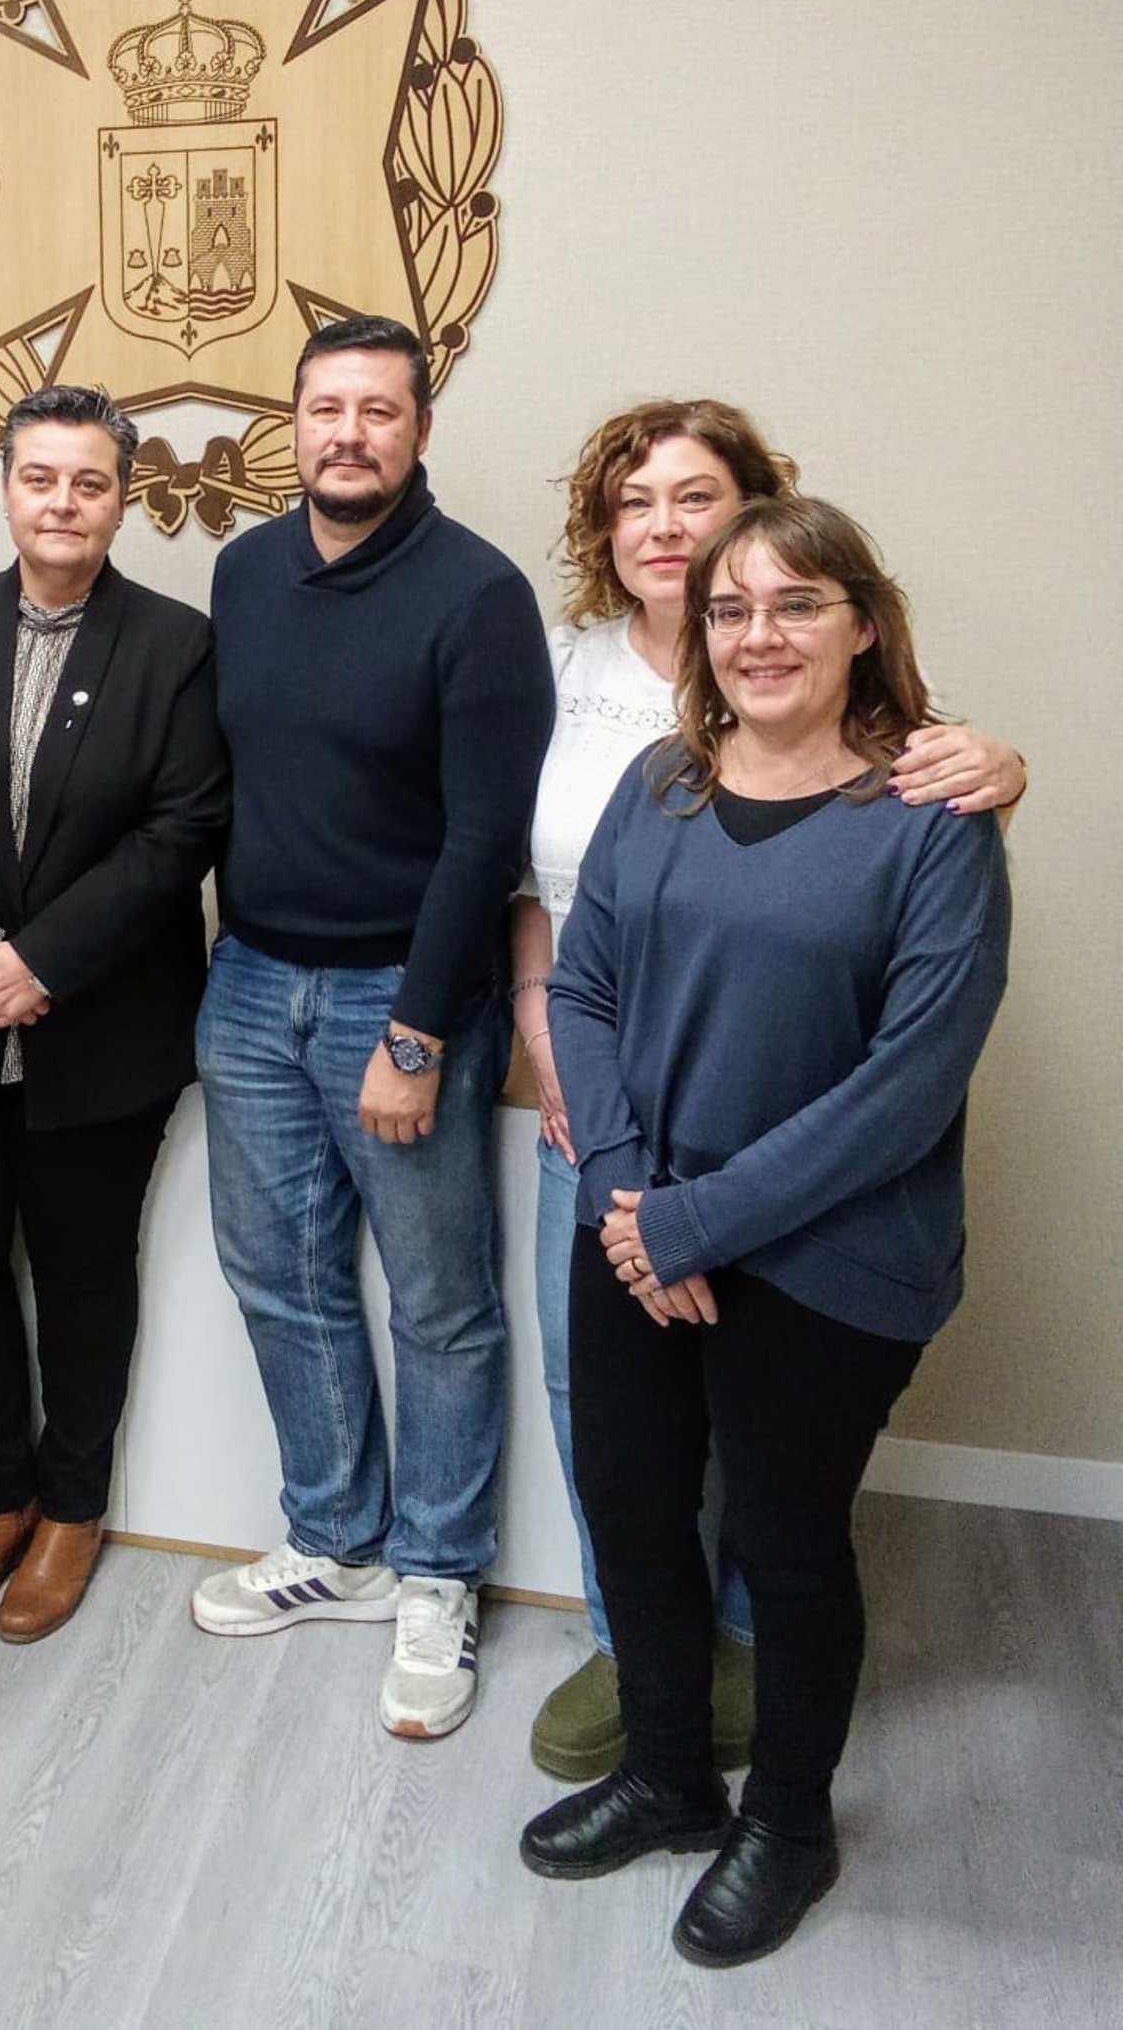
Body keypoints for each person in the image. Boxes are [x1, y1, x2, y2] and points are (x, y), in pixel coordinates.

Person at [520, 494, 1011, 1967]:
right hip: (639, 1216)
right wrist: (630, 1192)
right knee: (633, 1508)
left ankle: (789, 1822)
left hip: (826, 1254)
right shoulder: (663, 783)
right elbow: (583, 988)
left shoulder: (930, 821)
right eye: (731, 608)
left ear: (865, 624)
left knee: (788, 1547)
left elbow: (909, 1085)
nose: (758, 635)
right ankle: (670, 1775)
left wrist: (696, 1223)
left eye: (798, 603)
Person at [190, 315, 554, 1742]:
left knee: (438, 1300)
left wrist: (414, 1032)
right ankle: (337, 1541)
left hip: (395, 995)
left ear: (420, 428)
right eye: (324, 408)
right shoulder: (244, 569)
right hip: (249, 984)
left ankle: (438, 1572)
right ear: (292, 422)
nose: (347, 433)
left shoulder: (478, 595)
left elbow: (485, 837)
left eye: (378, 410)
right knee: (279, 1274)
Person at [0, 387, 229, 1642]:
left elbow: (182, 827)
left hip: (104, 1031)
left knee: (84, 1275)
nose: (63, 502)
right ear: (7, 488)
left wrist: (44, 958)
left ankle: (72, 1508)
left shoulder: (176, 644)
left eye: (90, 482)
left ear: (124, 499)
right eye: (41, 477)